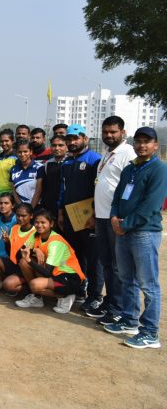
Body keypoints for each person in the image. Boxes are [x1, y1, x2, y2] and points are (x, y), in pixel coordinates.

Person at [105, 126, 167, 349]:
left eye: (147, 141)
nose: (142, 145)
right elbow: (117, 197)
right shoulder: (130, 169)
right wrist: (114, 217)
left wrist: (126, 225)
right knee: (126, 278)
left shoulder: (159, 169)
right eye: (138, 141)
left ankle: (150, 332)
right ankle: (129, 320)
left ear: (155, 145)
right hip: (122, 230)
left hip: (143, 232)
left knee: (148, 284)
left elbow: (151, 205)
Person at [91, 116, 136, 323]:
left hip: (115, 218)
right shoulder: (107, 154)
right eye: (106, 132)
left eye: (113, 132)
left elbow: (131, 187)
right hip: (101, 216)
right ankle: (110, 302)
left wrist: (121, 215)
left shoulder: (127, 154)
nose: (109, 135)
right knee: (107, 263)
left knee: (118, 266)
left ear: (122, 133)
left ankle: (118, 309)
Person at [58, 124, 101, 309]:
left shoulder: (94, 159)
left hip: (88, 218)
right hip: (69, 217)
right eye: (69, 139)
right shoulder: (67, 162)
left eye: (76, 138)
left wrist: (94, 214)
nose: (72, 142)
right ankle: (79, 290)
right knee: (75, 256)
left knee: (93, 258)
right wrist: (60, 212)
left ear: (85, 139)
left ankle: (95, 295)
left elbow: (99, 189)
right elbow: (63, 189)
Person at [14, 209, 85, 314]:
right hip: (55, 273)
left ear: (51, 224)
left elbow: (48, 272)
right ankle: (37, 298)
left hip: (69, 277)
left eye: (43, 222)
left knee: (34, 284)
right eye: (37, 222)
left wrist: (29, 259)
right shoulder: (36, 235)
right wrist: (35, 250)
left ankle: (66, 296)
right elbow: (18, 254)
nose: (39, 225)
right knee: (23, 262)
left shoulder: (56, 242)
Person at [31, 134, 67, 214]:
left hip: (66, 208)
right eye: (54, 145)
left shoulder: (71, 162)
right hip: (50, 208)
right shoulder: (47, 164)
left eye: (60, 145)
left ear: (66, 147)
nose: (57, 148)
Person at [10, 140, 42, 205]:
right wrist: (21, 207)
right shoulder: (13, 169)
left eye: (25, 151)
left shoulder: (39, 167)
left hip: (37, 207)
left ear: (31, 152)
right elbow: (13, 191)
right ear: (16, 153)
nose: (22, 154)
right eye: (19, 152)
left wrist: (30, 209)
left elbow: (38, 191)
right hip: (21, 209)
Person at [0, 129, 16, 211]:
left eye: (6, 141)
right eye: (2, 141)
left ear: (13, 141)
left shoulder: (17, 158)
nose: (4, 143)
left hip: (11, 197)